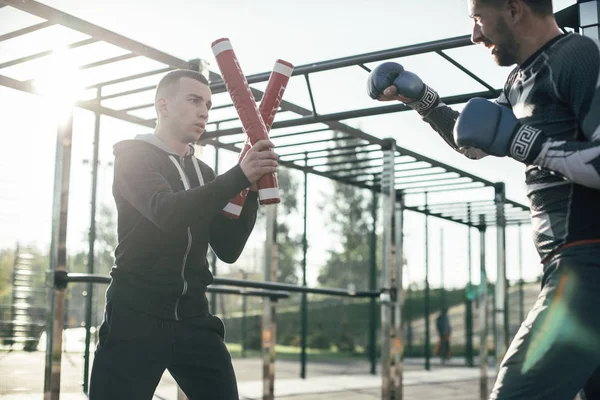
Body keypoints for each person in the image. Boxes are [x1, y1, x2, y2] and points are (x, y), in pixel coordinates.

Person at [367, 0, 600, 398]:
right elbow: (474, 141)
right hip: (563, 263)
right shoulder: (517, 80)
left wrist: (523, 142)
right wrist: (422, 99)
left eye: (477, 19)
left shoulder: (576, 55)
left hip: (587, 263)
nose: (475, 34)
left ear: (513, 10)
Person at [89, 69, 278, 400]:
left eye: (208, 104)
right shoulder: (133, 157)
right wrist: (237, 176)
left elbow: (228, 247)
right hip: (136, 317)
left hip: (193, 318)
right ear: (163, 106)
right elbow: (168, 212)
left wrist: (248, 189)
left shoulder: (205, 174)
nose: (204, 111)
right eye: (193, 101)